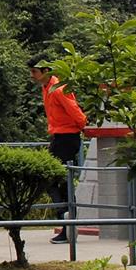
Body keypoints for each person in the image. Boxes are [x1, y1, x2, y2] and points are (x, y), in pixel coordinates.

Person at [31, 58, 87, 243]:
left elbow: (75, 110)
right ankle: (65, 220)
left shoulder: (59, 89)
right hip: (58, 137)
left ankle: (67, 225)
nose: (32, 75)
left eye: (34, 71)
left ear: (45, 70)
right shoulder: (46, 88)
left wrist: (79, 128)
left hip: (67, 138)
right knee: (51, 179)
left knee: (60, 180)